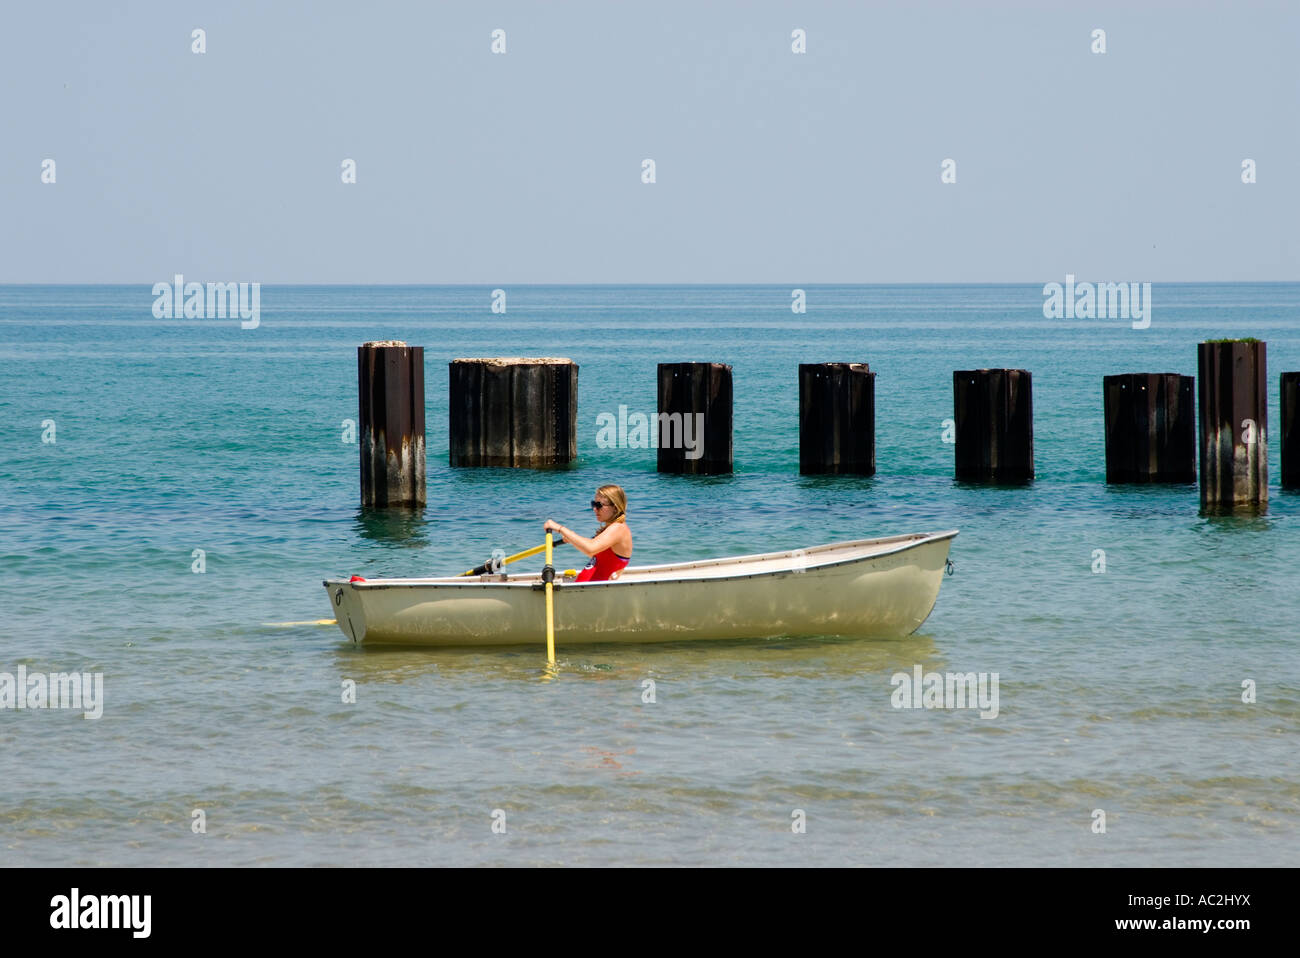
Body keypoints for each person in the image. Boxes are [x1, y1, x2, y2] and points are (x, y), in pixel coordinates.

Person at [543, 485, 633, 582]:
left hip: (594, 591)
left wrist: (559, 528)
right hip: (586, 590)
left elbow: (590, 548)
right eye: (593, 504)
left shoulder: (618, 528)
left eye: (599, 505)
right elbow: (594, 553)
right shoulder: (612, 529)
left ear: (615, 507)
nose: (594, 509)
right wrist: (571, 540)